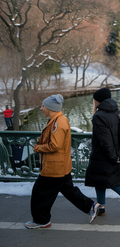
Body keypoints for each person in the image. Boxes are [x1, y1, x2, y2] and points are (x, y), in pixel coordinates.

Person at [25, 95, 101, 229]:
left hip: (54, 166)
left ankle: (41, 221)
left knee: (40, 193)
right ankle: (91, 206)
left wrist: (38, 148)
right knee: (68, 190)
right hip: (60, 165)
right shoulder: (58, 120)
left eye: (43, 106)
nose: (41, 109)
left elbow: (55, 145)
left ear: (50, 108)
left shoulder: (57, 123)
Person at [85, 88, 120, 218]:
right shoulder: (116, 111)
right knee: (100, 180)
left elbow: (105, 140)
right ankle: (101, 207)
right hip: (116, 152)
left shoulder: (99, 116)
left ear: (97, 101)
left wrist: (113, 157)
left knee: (112, 181)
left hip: (104, 155)